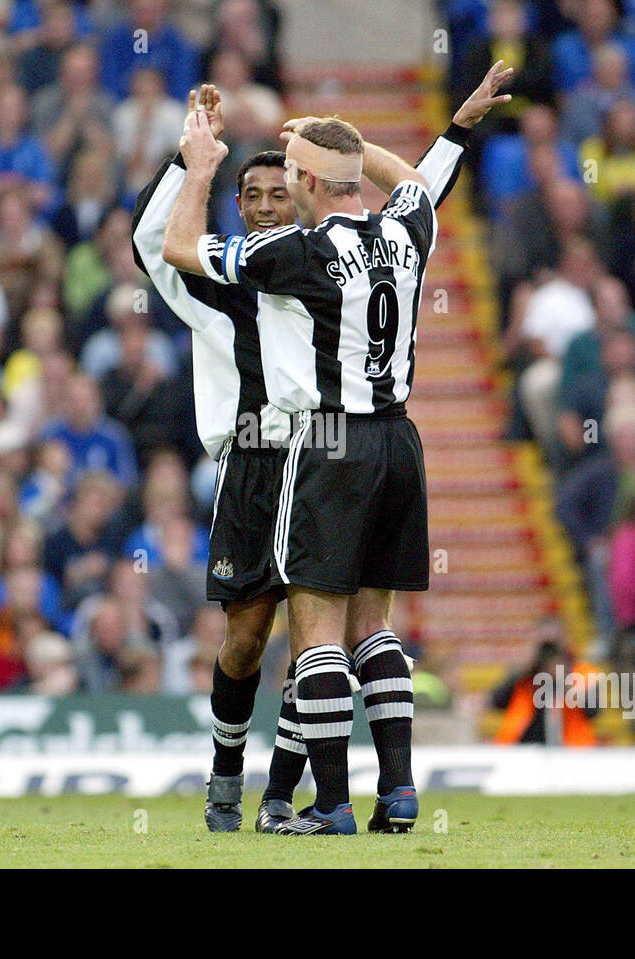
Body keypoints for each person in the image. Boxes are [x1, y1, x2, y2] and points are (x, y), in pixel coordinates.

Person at [137, 73, 501, 832]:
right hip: (355, 443)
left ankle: (314, 800)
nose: (272, 204)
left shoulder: (293, 257)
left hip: (323, 445)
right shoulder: (397, 233)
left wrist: (201, 163)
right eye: (255, 195)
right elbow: (419, 189)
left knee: (316, 634)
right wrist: (362, 145)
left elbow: (176, 243)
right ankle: (383, 793)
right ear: (241, 206)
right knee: (308, 633)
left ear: (304, 185)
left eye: (285, 186)